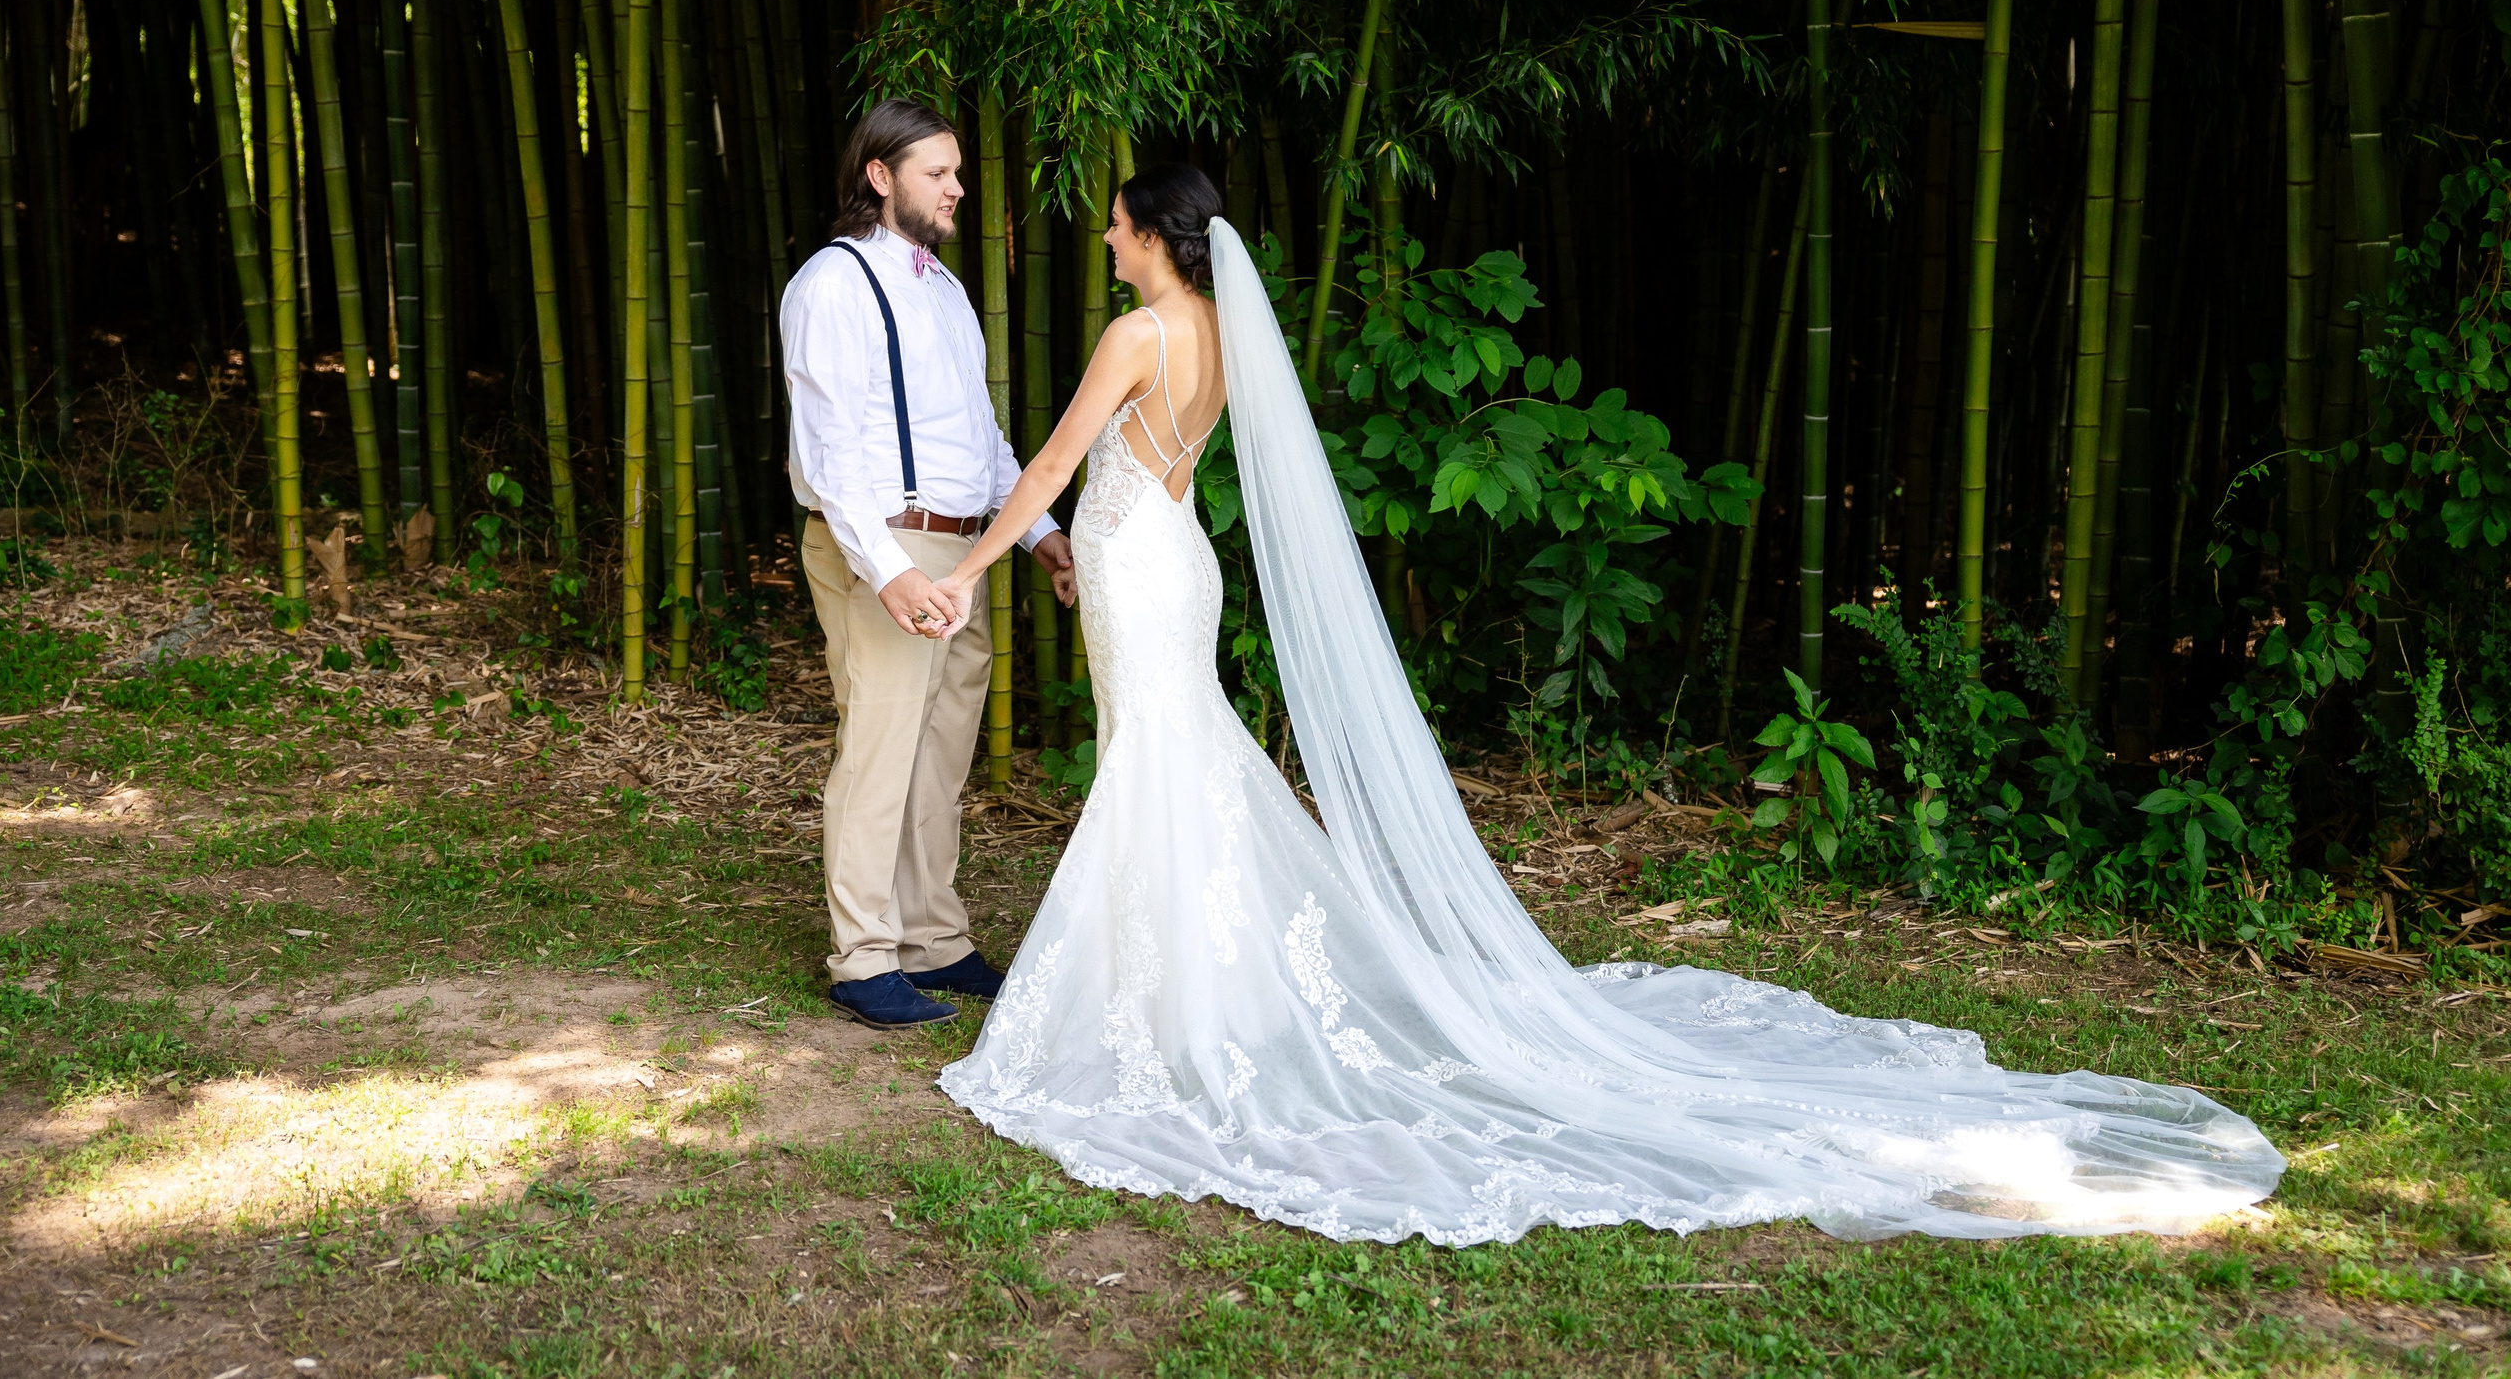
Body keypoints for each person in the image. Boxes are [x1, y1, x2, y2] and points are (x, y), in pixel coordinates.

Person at [919, 160, 2285, 1247]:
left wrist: (970, 567)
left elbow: (1049, 461)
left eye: (1112, 224)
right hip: (1164, 559)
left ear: (1156, 234)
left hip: (1139, 561)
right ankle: (1198, 997)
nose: (1102, 240)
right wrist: (1053, 552)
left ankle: (1173, 1015)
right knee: (1178, 759)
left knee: (1159, 762)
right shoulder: (1219, 331)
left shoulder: (1140, 328)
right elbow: (1114, 482)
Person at [779, 97, 1076, 1031]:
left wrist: (1040, 535)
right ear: (880, 176)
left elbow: (979, 438)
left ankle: (932, 938)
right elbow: (827, 454)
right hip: (884, 545)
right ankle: (863, 956)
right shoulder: (834, 283)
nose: (957, 187)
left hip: (961, 548)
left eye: (955, 170)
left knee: (941, 752)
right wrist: (889, 570)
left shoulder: (943, 288)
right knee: (881, 747)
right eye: (937, 173)